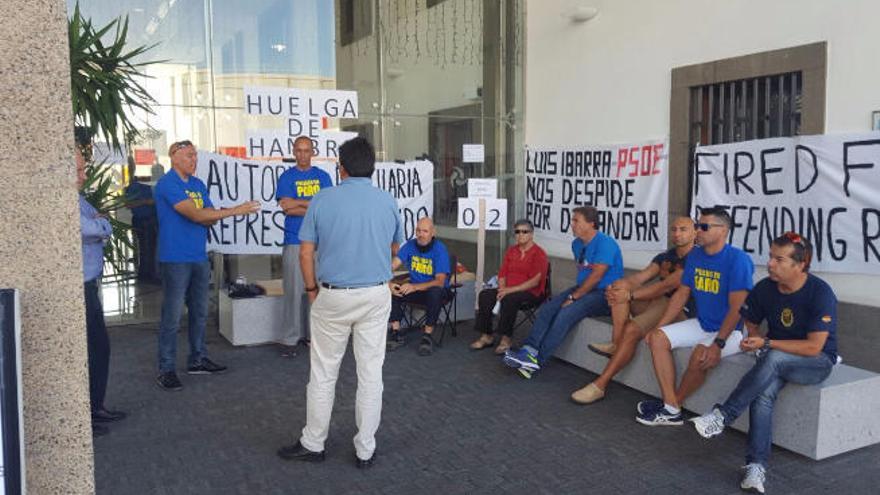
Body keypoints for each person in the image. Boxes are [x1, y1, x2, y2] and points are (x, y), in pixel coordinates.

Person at [277, 137, 402, 469]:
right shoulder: (388, 201)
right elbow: (394, 249)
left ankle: (314, 443)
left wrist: (311, 290)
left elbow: (306, 251)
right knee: (371, 374)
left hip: (332, 295)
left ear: (340, 167)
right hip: (375, 295)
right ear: (372, 166)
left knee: (323, 373)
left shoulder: (322, 200)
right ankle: (365, 449)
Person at [690, 232, 837, 494]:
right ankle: (755, 466)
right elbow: (750, 318)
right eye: (770, 257)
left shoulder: (820, 292)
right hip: (776, 358)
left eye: (779, 259)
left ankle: (724, 415)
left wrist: (767, 344)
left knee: (774, 357)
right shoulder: (765, 287)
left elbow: (815, 347)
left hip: (816, 362)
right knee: (763, 394)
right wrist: (756, 339)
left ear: (800, 264)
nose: (770, 264)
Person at [154, 140, 260, 391]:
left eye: (195, 156)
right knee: (171, 316)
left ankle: (197, 359)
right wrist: (234, 211)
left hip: (198, 256)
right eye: (189, 156)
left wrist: (205, 215)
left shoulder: (198, 185)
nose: (194, 160)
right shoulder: (168, 184)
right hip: (175, 258)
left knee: (200, 312)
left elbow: (208, 218)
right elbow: (199, 215)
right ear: (174, 156)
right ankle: (166, 368)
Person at [636, 206, 754, 426]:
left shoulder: (738, 260)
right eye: (698, 225)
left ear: (723, 231)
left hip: (733, 331)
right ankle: (671, 408)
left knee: (701, 354)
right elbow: (682, 293)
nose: (698, 230)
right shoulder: (696, 256)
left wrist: (718, 344)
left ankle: (671, 407)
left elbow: (738, 308)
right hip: (703, 323)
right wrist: (658, 327)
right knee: (658, 338)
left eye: (704, 226)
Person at [571, 215, 696, 404]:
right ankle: (616, 343)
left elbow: (666, 287)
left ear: (695, 232)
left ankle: (600, 385)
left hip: (679, 311)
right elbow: (640, 278)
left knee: (631, 328)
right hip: (659, 303)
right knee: (618, 288)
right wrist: (620, 285)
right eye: (674, 229)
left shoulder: (698, 258)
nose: (677, 234)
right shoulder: (665, 256)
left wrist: (629, 295)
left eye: (683, 229)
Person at [503, 206, 623, 379]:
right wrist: (576, 293)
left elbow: (597, 276)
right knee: (548, 308)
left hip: (605, 294)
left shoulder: (606, 243)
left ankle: (536, 361)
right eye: (572, 220)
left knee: (565, 314)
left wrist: (574, 297)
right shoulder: (577, 244)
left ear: (591, 223)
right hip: (584, 288)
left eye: (576, 221)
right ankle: (528, 351)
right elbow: (584, 273)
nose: (571, 224)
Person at [75, 131, 127, 436]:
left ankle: (95, 407)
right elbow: (90, 226)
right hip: (80, 285)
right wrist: (102, 224)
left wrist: (100, 223)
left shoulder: (78, 197)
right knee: (93, 350)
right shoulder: (65, 200)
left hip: (90, 282)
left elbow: (98, 221)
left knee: (99, 349)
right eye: (79, 170)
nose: (83, 175)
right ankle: (87, 414)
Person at [276, 136, 333, 355]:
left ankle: (314, 338)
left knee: (318, 291)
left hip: (321, 243)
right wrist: (313, 204)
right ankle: (290, 339)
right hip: (294, 240)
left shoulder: (323, 176)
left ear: (312, 152)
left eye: (306, 150)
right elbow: (286, 209)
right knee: (293, 291)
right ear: (294, 152)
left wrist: (298, 202)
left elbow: (326, 208)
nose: (302, 154)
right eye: (298, 150)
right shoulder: (286, 177)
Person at [470, 219, 548, 355]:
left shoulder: (539, 253)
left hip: (530, 292)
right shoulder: (512, 251)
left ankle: (506, 339)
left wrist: (509, 290)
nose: (520, 235)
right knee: (485, 295)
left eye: (525, 232)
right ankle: (486, 335)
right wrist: (501, 289)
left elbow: (535, 281)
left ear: (531, 234)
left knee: (510, 299)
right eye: (517, 232)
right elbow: (502, 273)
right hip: (508, 289)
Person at [387, 217, 451, 356]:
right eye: (418, 230)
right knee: (394, 290)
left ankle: (427, 336)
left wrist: (415, 287)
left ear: (432, 233)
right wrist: (388, 282)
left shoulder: (440, 249)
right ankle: (396, 332)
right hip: (415, 289)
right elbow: (392, 266)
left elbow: (440, 281)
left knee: (435, 292)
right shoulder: (410, 246)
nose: (421, 234)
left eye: (425, 231)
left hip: (437, 291)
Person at [124, 157, 159, 283]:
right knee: (147, 248)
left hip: (152, 219)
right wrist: (145, 202)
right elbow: (128, 204)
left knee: (150, 248)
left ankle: (147, 274)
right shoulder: (135, 186)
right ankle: (148, 276)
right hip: (143, 220)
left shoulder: (152, 185)